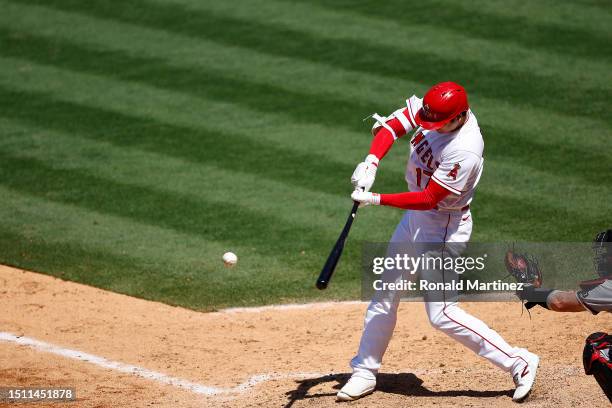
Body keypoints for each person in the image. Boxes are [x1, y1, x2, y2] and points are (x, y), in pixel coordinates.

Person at [340, 82, 539, 402]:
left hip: (444, 228)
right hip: (415, 222)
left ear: (458, 117)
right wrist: (371, 162)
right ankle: (365, 370)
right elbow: (392, 126)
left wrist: (376, 198)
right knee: (387, 290)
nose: (428, 124)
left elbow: (430, 198)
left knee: (442, 313)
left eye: (437, 123)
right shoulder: (436, 110)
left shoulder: (466, 150)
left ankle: (519, 361)